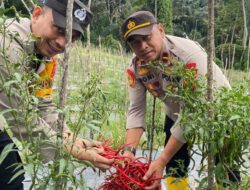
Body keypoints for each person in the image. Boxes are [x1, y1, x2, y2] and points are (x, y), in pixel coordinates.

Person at [0, 0, 113, 189]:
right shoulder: (7, 47)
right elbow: (21, 119)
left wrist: (72, 139)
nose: (62, 42)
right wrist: (75, 152)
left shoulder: (45, 56)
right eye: (58, 29)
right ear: (36, 15)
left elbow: (43, 105)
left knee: (11, 180)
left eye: (72, 36)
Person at [120, 11, 238, 190]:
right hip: (177, 112)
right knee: (174, 166)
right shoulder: (136, 68)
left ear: (160, 30)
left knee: (226, 166)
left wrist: (161, 159)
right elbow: (136, 110)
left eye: (147, 37)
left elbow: (193, 113)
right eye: (135, 42)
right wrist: (128, 152)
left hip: (219, 110)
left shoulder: (188, 55)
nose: (143, 46)